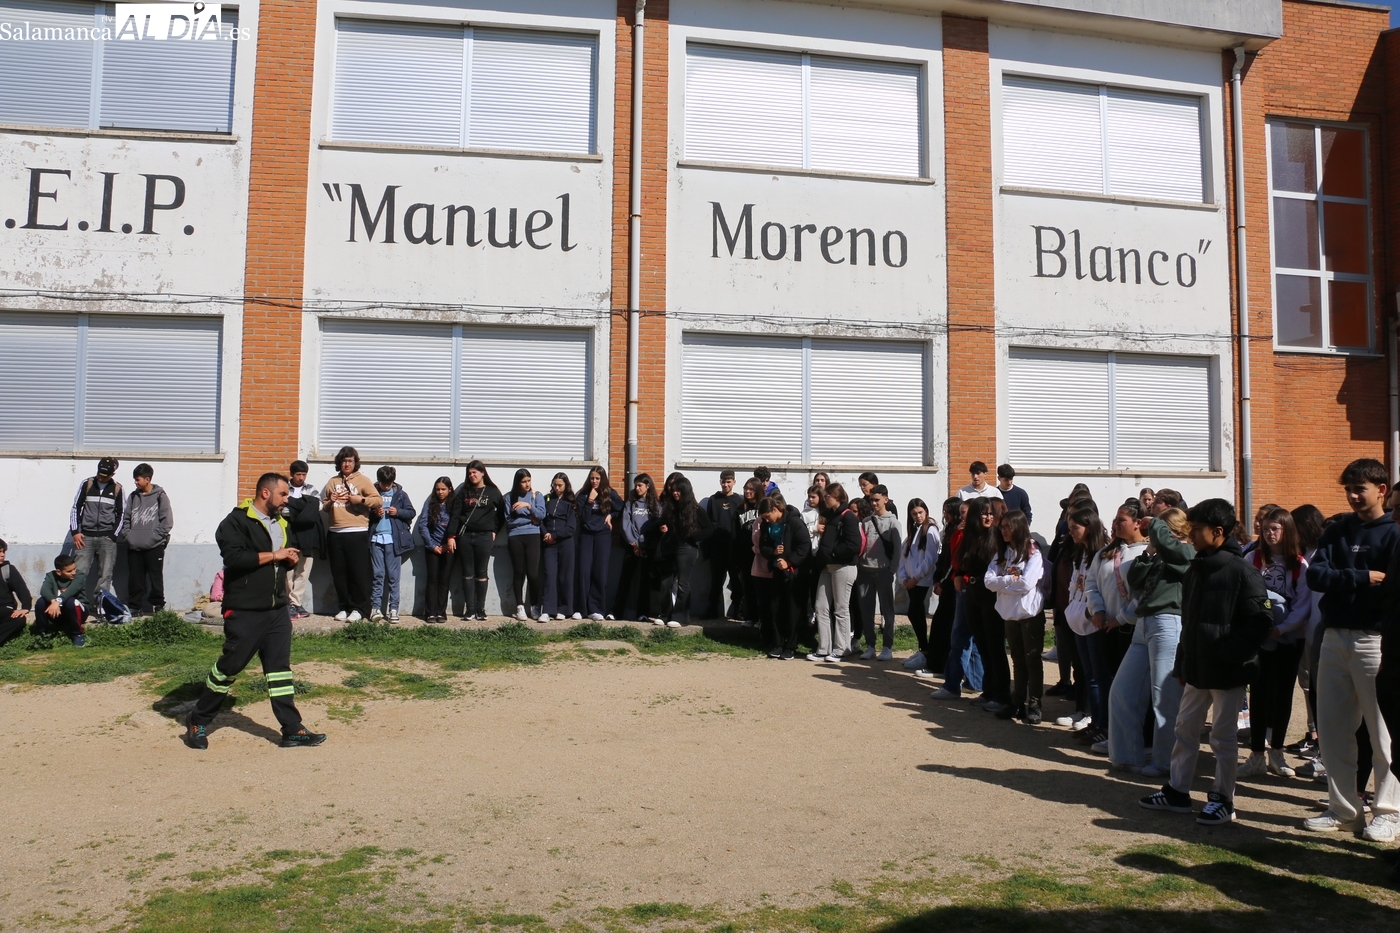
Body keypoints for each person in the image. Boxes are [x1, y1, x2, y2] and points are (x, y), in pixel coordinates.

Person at [1139, 498, 1271, 826]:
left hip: (1228, 672)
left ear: (1218, 531)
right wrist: (1183, 662)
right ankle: (1177, 792)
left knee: (1222, 739)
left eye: (1197, 529)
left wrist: (1229, 655)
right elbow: (1189, 621)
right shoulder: (1196, 568)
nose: (1191, 535)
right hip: (1197, 669)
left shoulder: (1243, 571)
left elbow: (1261, 621)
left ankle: (1223, 800)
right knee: (1184, 728)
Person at [183, 472, 326, 751]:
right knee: (230, 667)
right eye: (283, 494)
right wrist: (275, 556)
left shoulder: (281, 522)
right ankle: (198, 719)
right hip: (245, 611)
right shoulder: (235, 521)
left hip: (277, 610)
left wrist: (288, 559)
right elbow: (235, 559)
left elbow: (280, 559)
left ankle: (292, 729)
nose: (286, 500)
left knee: (279, 671)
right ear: (265, 493)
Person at [1303, 458, 1400, 840]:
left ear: (1381, 489)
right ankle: (1344, 811)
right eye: (1348, 489)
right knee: (1332, 731)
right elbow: (1315, 575)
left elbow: (1390, 588)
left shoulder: (1393, 532)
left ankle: (1388, 812)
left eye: (1360, 488)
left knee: (1383, 733)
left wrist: (1342, 581)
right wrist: (1361, 577)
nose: (1353, 496)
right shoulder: (1337, 530)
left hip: (1374, 640)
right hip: (1333, 637)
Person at [1110, 507, 1191, 777]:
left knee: (1165, 697)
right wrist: (1149, 552)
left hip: (1169, 622)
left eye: (1159, 529)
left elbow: (1180, 556)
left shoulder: (1187, 551)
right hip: (1144, 624)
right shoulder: (1161, 553)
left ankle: (1166, 762)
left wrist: (1156, 527)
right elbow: (1135, 579)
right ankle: (1127, 756)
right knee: (1123, 691)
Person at [1238, 507, 1313, 779]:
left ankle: (1277, 752)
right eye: (1266, 528)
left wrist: (1281, 629)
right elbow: (1244, 593)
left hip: (1290, 638)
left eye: (1275, 529)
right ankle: (1257, 754)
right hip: (1260, 637)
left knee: (1282, 695)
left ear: (1286, 530)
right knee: (1258, 693)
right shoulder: (1252, 557)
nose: (1269, 533)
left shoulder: (1300, 565)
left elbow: (1303, 606)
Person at [1084, 500, 1150, 754]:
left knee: (1132, 689)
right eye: (1115, 519)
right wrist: (1098, 610)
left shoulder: (1146, 553)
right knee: (1111, 685)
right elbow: (1091, 584)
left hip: (1131, 630)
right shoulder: (1105, 553)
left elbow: (1143, 594)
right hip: (1105, 628)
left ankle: (1140, 740)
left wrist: (1121, 618)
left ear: (1138, 523)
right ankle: (1115, 734)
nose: (1116, 524)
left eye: (1122, 519)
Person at [986, 509, 1045, 723]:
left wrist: (1003, 582)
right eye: (1002, 527)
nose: (1003, 530)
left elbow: (1027, 583)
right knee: (1018, 659)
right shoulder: (1002, 552)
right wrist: (1008, 580)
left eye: (1007, 527)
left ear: (1018, 528)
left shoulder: (1032, 552)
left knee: (1032, 658)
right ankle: (1017, 701)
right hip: (1009, 614)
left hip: (1029, 614)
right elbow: (988, 581)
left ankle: (1035, 703)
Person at [928, 501, 987, 698]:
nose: (962, 516)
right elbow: (955, 559)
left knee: (964, 636)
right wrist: (959, 533)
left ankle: (957, 684)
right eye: (961, 513)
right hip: (963, 586)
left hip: (974, 587)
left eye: (965, 513)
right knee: (964, 635)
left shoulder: (983, 534)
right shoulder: (959, 533)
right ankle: (969, 682)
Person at [958, 497, 1011, 711]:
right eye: (984, 513)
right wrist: (958, 574)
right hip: (972, 592)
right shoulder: (970, 536)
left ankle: (1002, 695)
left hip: (991, 595)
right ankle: (988, 690)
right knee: (981, 644)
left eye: (991, 513)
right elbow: (962, 562)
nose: (989, 517)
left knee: (995, 646)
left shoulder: (997, 537)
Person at [1064, 506, 1110, 746]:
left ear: (1089, 528)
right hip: (1078, 620)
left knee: (1099, 676)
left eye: (1075, 528)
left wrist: (1089, 609)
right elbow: (1075, 584)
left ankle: (1104, 724)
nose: (1071, 532)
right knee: (1088, 673)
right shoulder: (1080, 553)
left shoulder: (1103, 554)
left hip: (1094, 623)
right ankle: (1095, 722)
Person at [321, 446, 381, 622]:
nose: (347, 464)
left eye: (350, 461)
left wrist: (360, 499)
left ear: (355, 463)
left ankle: (358, 608)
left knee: (358, 573)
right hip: (335, 532)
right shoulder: (332, 481)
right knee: (339, 573)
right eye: (344, 461)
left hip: (357, 532)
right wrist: (330, 502)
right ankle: (343, 607)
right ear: (339, 462)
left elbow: (377, 500)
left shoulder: (363, 480)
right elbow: (324, 506)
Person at [446, 460, 506, 621]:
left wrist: (494, 530)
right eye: (470, 473)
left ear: (482, 473)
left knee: (481, 572)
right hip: (465, 537)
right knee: (467, 573)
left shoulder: (493, 491)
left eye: (475, 472)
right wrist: (451, 536)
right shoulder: (464, 492)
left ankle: (480, 609)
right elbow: (455, 515)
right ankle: (470, 609)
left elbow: (502, 514)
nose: (472, 475)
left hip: (484, 537)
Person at [69, 456, 124, 621]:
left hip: (107, 538)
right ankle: (76, 606)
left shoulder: (117, 489)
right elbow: (76, 507)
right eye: (100, 473)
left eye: (105, 475)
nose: (101, 477)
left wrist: (113, 535)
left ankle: (101, 608)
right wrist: (75, 532)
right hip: (85, 536)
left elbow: (122, 514)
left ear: (113, 474)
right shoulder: (87, 484)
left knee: (105, 574)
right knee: (79, 572)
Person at [757, 494, 811, 659]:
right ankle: (778, 643)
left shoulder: (794, 522)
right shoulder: (767, 525)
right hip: (777, 570)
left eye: (768, 516)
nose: (766, 520)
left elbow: (804, 545)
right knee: (776, 607)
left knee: (793, 610)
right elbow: (763, 546)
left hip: (794, 573)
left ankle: (791, 646)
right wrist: (773, 553)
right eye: (764, 518)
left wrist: (789, 561)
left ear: (775, 509)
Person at [810, 483, 861, 662]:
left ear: (837, 496)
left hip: (843, 567)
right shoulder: (830, 515)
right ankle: (824, 648)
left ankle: (842, 648)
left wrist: (832, 553)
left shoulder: (848, 517)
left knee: (841, 608)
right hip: (827, 567)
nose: (825, 499)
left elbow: (854, 546)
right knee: (821, 606)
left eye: (828, 496)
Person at [653, 476, 712, 627]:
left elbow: (709, 529)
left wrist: (693, 537)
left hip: (687, 548)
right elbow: (661, 521)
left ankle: (680, 616)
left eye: (678, 490)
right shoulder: (670, 507)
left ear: (685, 491)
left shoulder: (696, 509)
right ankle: (665, 614)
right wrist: (662, 526)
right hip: (670, 547)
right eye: (673, 490)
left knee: (682, 583)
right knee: (665, 582)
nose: (675, 493)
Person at [121, 463, 174, 616]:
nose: (136, 483)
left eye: (138, 480)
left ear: (147, 479)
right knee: (135, 578)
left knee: (155, 577)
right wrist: (129, 536)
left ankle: (158, 606)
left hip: (155, 546)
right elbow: (126, 519)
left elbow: (167, 522)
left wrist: (153, 537)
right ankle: (135, 607)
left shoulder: (160, 496)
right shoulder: (133, 497)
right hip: (134, 546)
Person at [857, 485, 902, 661]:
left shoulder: (893, 522)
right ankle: (870, 645)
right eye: (872, 500)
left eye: (877, 500)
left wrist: (892, 570)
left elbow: (897, 549)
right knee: (866, 610)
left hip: (884, 570)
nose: (874, 503)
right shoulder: (866, 521)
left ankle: (887, 646)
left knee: (887, 610)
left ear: (886, 500)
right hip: (865, 570)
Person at [898, 499, 941, 672]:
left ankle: (925, 650)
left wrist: (915, 578)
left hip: (921, 580)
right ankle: (923, 649)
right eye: (914, 514)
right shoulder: (913, 531)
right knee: (916, 613)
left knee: (914, 612)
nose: (918, 516)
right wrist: (903, 578)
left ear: (926, 511)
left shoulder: (930, 530)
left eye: (920, 512)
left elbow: (930, 559)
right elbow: (904, 557)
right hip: (910, 580)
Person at [368, 466, 415, 623]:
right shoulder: (372, 493)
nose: (386, 486)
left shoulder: (400, 494)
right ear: (379, 481)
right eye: (383, 483)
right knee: (378, 574)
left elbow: (411, 512)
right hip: (376, 539)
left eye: (388, 483)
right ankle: (375, 608)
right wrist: (374, 514)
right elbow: (363, 514)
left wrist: (398, 512)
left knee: (394, 577)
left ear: (393, 481)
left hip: (394, 541)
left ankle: (393, 609)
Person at [576, 467, 622, 622]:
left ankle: (596, 609)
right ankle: (581, 609)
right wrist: (590, 501)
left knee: (600, 572)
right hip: (586, 535)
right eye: (592, 478)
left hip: (603, 535)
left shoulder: (610, 493)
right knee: (584, 571)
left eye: (597, 478)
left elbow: (622, 509)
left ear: (602, 479)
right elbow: (582, 517)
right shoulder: (583, 494)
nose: (594, 481)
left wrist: (611, 515)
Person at [283, 461, 323, 620]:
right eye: (298, 474)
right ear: (292, 474)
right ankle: (288, 602)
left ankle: (296, 602)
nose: (301, 478)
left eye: (303, 474)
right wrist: (304, 507)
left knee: (304, 570)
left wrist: (292, 504)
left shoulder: (311, 489)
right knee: (288, 569)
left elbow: (317, 508)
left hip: (307, 534)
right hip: (289, 531)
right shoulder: (284, 488)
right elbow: (282, 510)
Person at [617, 473, 659, 623]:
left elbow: (655, 525)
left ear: (648, 486)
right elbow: (625, 524)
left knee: (645, 580)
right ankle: (617, 611)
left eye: (640, 485)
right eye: (635, 485)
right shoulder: (630, 503)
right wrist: (634, 543)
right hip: (632, 546)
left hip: (647, 546)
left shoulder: (655, 505)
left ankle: (643, 613)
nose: (637, 488)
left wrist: (643, 543)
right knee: (625, 579)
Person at [505, 469, 545, 621]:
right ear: (517, 482)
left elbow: (541, 515)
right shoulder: (509, 497)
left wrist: (528, 506)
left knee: (533, 574)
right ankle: (519, 606)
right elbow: (509, 521)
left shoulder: (536, 496)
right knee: (518, 572)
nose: (527, 484)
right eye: (523, 481)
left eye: (529, 480)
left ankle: (534, 606)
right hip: (515, 536)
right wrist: (531, 519)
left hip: (533, 535)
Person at [704, 470, 744, 620]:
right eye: (723, 481)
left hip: (734, 548)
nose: (725, 484)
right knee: (716, 581)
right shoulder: (713, 500)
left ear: (734, 482)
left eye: (728, 482)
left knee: (736, 581)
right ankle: (713, 610)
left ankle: (737, 610)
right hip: (717, 548)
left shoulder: (739, 500)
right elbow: (708, 524)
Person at [416, 476, 455, 623]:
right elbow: (422, 525)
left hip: (449, 547)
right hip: (432, 547)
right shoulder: (430, 502)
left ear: (449, 489)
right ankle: (430, 612)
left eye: (443, 489)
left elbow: (457, 524)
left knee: (444, 580)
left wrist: (447, 545)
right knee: (432, 580)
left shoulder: (454, 504)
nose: (440, 492)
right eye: (438, 489)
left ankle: (441, 612)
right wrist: (432, 545)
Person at [541, 473, 578, 622]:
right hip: (549, 543)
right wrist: (545, 533)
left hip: (565, 543)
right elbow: (541, 519)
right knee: (550, 574)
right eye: (555, 485)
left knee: (565, 576)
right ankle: (547, 610)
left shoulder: (570, 502)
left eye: (560, 485)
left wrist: (555, 535)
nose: (557, 488)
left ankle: (564, 609)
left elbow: (571, 527)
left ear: (566, 485)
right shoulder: (547, 499)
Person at [34, 553, 87, 646]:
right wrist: (53, 601)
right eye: (69, 571)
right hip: (57, 613)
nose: (73, 572)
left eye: (74, 569)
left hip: (78, 612)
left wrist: (58, 601)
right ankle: (43, 634)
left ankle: (77, 634)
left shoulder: (79, 576)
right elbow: (44, 590)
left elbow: (71, 590)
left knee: (71, 601)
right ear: (59, 572)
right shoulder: (51, 576)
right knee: (41, 602)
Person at [0, 538, 32, 647]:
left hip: (4, 610)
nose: (2, 555)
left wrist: (26, 607)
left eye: (3, 552)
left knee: (19, 620)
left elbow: (22, 590)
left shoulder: (8, 570)